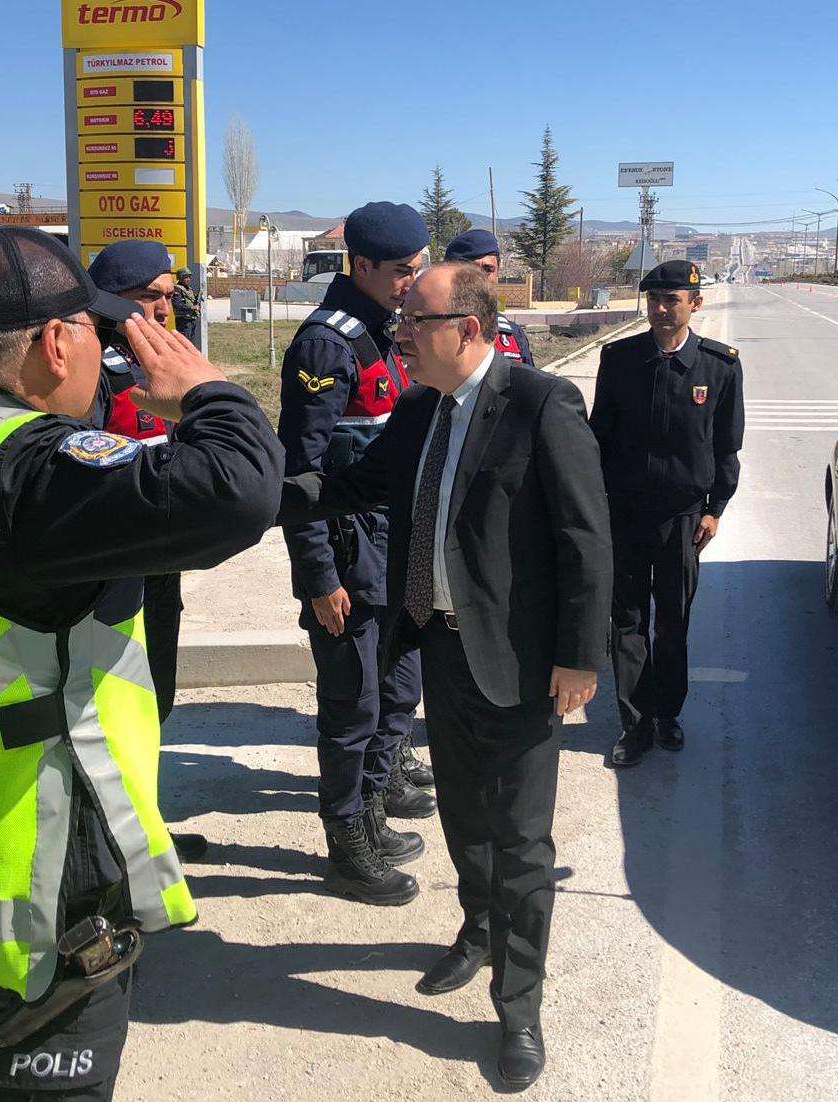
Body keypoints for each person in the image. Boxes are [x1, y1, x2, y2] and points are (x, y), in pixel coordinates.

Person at [0, 226, 284, 1101]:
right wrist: (210, 392)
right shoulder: (20, 475)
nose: (106, 359)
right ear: (54, 342)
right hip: (32, 924)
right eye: (99, 337)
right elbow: (239, 489)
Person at [280, 262, 611, 1088]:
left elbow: (586, 538)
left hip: (525, 665)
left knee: (523, 840)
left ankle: (519, 1005)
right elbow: (350, 484)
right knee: (463, 812)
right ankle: (475, 927)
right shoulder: (421, 409)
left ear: (466, 329)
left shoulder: (540, 404)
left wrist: (580, 656)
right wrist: (247, 486)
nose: (398, 340)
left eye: (411, 326)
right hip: (442, 648)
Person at [278, 200, 439, 907]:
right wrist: (318, 577)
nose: (414, 281)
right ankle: (346, 843)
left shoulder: (382, 334)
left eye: (419, 268)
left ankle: (371, 812)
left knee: (394, 694)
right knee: (351, 706)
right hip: (347, 562)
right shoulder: (327, 345)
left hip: (394, 551)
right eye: (403, 271)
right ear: (363, 265)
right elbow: (301, 476)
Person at [588, 260, 744, 768]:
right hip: (626, 513)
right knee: (627, 622)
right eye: (653, 298)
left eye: (671, 299)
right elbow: (600, 437)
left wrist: (715, 509)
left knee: (673, 622)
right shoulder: (620, 359)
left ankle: (666, 715)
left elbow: (726, 446)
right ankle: (634, 725)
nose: (659, 308)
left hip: (682, 517)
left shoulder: (719, 367)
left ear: (694, 304)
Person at [87, 241, 204, 861]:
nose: (164, 309)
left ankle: (146, 824)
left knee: (153, 696)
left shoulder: (172, 362)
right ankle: (111, 846)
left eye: (169, 295)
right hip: (108, 571)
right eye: (148, 297)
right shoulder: (93, 370)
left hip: (161, 562)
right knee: (107, 708)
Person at [444, 228, 534, 367]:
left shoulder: (512, 336)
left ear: (497, 273)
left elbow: (529, 385)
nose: (480, 278)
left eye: (488, 269)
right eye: (471, 270)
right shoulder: (431, 330)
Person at [173, 267, 201, 346]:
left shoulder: (189, 289)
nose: (188, 279)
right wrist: (192, 308)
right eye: (186, 277)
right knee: (184, 344)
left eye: (189, 277)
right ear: (181, 278)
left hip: (191, 320)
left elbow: (190, 302)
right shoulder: (177, 289)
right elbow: (177, 305)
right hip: (183, 321)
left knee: (190, 345)